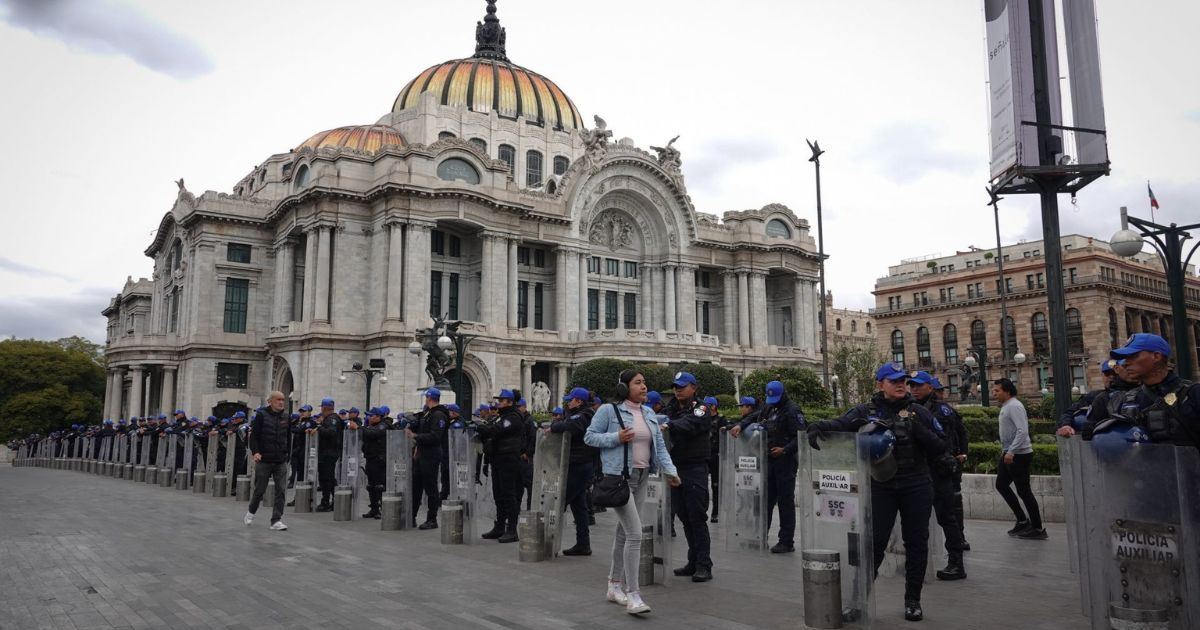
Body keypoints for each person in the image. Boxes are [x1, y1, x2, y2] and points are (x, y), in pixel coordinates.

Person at [807, 363, 947, 622]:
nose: (900, 384)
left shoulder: (918, 412)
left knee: (916, 542)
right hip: (882, 486)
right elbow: (842, 423)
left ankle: (912, 600)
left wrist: (917, 429)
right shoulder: (866, 411)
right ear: (880, 384)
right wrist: (819, 426)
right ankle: (859, 602)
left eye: (902, 380)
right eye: (893, 380)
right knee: (872, 544)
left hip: (916, 483)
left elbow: (941, 446)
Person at [584, 368, 680, 615]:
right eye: (638, 383)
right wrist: (616, 437)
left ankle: (614, 585)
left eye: (645, 382)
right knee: (635, 534)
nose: (644, 387)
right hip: (620, 478)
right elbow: (590, 437)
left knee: (624, 533)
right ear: (625, 387)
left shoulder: (649, 413)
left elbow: (659, 447)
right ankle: (633, 593)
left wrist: (670, 471)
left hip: (642, 475)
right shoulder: (609, 410)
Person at [730, 380, 804, 553]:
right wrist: (740, 425)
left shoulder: (792, 410)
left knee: (785, 501)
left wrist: (785, 450)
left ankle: (786, 541)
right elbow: (754, 416)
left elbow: (800, 436)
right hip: (769, 459)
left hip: (785, 461)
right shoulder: (770, 407)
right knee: (765, 500)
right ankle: (759, 535)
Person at [908, 371, 969, 579]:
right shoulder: (910, 408)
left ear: (930, 388)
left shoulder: (940, 409)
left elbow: (946, 439)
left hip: (938, 470)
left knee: (946, 517)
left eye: (919, 385)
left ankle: (956, 562)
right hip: (919, 471)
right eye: (912, 386)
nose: (914, 389)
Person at [1092, 333, 1199, 445]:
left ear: (1156, 356)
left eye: (1133, 356)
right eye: (1125, 358)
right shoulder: (1126, 400)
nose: (1125, 363)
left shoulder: (1193, 394)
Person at [660, 371, 714, 582]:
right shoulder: (670, 408)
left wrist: (669, 425)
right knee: (683, 516)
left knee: (697, 517)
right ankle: (693, 561)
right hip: (675, 468)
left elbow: (691, 424)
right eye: (675, 386)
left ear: (694, 387)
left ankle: (704, 564)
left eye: (682, 386)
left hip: (694, 468)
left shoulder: (700, 408)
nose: (678, 389)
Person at [993, 378, 1045, 540]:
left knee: (1024, 491)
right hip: (1009, 452)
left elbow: (1022, 431)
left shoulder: (1014, 406)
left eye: (997, 391)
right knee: (1001, 485)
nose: (995, 393)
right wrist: (1006, 451)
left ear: (1007, 391)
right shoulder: (1006, 406)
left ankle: (1037, 528)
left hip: (1019, 455)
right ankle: (1022, 520)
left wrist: (1011, 452)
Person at [549, 387, 598, 555]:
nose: (568, 402)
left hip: (579, 465)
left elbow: (571, 426)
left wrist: (554, 427)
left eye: (571, 399)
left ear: (579, 401)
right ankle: (583, 544)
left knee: (560, 502)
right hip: (578, 464)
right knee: (579, 506)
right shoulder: (581, 414)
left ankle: (548, 541)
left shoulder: (584, 415)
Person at [474, 389, 525, 542]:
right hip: (498, 458)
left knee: (509, 494)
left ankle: (512, 529)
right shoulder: (501, 417)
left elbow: (496, 430)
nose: (498, 402)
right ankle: (500, 525)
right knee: (498, 494)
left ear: (510, 402)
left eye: (502, 400)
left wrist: (480, 427)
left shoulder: (513, 417)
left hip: (508, 459)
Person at [245, 391, 290, 530]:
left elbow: (289, 437)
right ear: (270, 401)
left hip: (280, 460)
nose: (281, 402)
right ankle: (251, 511)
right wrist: (256, 452)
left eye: (283, 399)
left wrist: (287, 454)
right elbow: (254, 436)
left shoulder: (286, 417)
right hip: (264, 460)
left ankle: (276, 520)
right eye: (278, 400)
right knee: (259, 490)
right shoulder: (261, 415)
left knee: (281, 490)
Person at [408, 388, 448, 529]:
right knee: (416, 487)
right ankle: (411, 517)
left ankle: (432, 519)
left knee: (431, 488)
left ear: (430, 398)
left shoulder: (438, 415)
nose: (425, 400)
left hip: (431, 455)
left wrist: (415, 436)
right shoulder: (427, 414)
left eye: (426, 398)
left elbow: (435, 436)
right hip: (421, 454)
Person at [1056, 361, 1112, 436]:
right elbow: (1068, 413)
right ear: (1102, 376)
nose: (1111, 377)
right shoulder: (1093, 396)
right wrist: (1066, 425)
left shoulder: (1129, 394)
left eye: (1115, 374)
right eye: (1107, 374)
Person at [311, 398, 342, 512]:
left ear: (324, 408)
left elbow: (331, 432)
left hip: (329, 452)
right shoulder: (329, 418)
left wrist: (319, 428)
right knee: (327, 478)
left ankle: (326, 501)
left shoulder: (332, 419)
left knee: (327, 478)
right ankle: (333, 500)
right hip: (327, 452)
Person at [701, 396, 728, 524]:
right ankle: (703, 511)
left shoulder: (721, 420)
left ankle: (715, 512)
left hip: (716, 456)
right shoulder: (701, 419)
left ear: (713, 406)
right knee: (702, 486)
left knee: (716, 486)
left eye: (707, 405)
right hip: (704, 455)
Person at [360, 408, 388, 519]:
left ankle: (384, 509)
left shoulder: (383, 426)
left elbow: (373, 434)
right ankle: (374, 509)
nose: (369, 418)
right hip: (370, 459)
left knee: (379, 486)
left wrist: (359, 427)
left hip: (379, 460)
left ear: (378, 416)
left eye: (371, 416)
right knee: (371, 486)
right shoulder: (370, 427)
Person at [440, 403, 459, 500]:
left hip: (454, 455)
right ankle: (444, 494)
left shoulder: (457, 424)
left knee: (450, 476)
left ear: (454, 413)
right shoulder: (449, 422)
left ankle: (448, 495)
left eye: (448, 412)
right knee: (445, 476)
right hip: (446, 454)